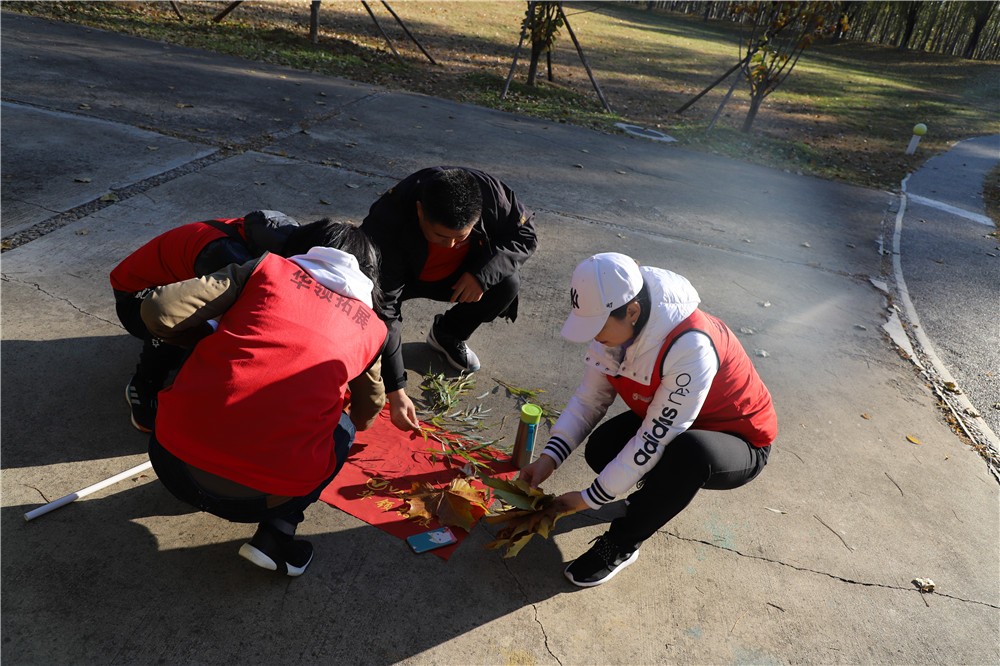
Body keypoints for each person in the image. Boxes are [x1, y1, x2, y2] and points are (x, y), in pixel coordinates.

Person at [141, 223, 387, 576]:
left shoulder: (266, 268)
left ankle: (203, 458)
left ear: (302, 247)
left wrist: (205, 342)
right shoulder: (372, 327)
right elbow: (368, 410)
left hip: (169, 461)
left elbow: (159, 311)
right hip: (264, 499)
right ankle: (278, 535)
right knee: (343, 427)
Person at [519, 253, 777, 587]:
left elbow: (653, 438)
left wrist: (588, 499)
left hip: (738, 439)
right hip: (678, 420)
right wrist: (548, 460)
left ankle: (623, 542)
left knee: (688, 455)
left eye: (598, 326)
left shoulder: (691, 346)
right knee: (602, 450)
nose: (594, 336)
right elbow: (589, 400)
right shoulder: (615, 330)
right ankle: (655, 495)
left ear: (633, 311)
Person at [111, 210, 338, 432]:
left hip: (174, 281)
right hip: (135, 299)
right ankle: (144, 384)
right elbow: (249, 318)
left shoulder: (280, 234)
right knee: (174, 318)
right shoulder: (227, 256)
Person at [360, 166, 537, 432]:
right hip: (402, 276)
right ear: (420, 212)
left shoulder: (492, 195)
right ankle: (369, 352)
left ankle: (447, 334)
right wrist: (396, 388)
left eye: (461, 237)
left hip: (459, 277)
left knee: (506, 283)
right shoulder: (388, 220)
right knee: (369, 312)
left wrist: (481, 276)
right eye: (441, 236)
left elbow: (525, 236)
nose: (450, 245)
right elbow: (387, 309)